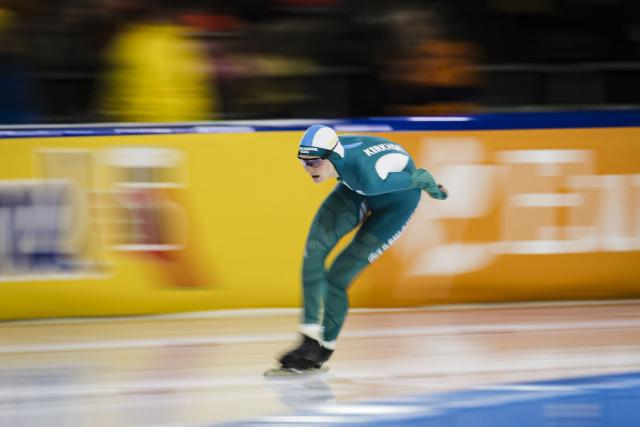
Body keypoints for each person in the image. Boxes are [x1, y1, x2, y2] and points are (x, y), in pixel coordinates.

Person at [276, 125, 448, 372]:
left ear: (332, 156)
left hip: (396, 203)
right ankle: (309, 339)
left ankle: (324, 348)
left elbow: (420, 177)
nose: (308, 168)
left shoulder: (367, 179)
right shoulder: (337, 153)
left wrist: (437, 192)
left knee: (338, 276)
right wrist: (307, 335)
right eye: (303, 162)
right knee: (314, 251)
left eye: (314, 162)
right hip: (354, 188)